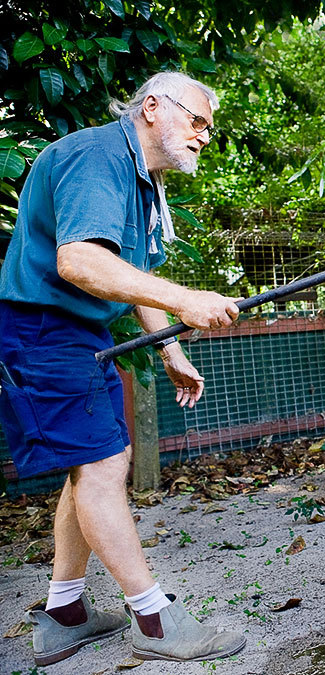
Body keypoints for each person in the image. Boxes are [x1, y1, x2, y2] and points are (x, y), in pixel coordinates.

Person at [0, 72, 246, 665]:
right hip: (41, 331)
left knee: (96, 465)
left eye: (209, 128)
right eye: (198, 120)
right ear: (154, 107)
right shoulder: (97, 156)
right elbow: (81, 261)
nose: (204, 135)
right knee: (103, 466)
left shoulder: (142, 180)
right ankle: (154, 619)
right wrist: (185, 298)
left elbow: (126, 274)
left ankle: (65, 614)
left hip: (81, 332)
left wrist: (170, 348)